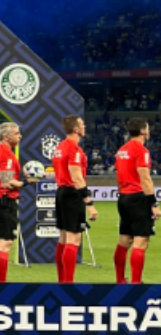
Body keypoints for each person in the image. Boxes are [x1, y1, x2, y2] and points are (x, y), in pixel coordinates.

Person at [0, 122, 35, 283]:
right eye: (17, 133)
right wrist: (26, 182)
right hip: (4, 202)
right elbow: (6, 181)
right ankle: (1, 285)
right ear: (7, 136)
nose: (20, 136)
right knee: (4, 244)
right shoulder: (6, 154)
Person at [54, 115, 98, 283]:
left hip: (62, 192)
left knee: (64, 237)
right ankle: (68, 283)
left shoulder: (60, 147)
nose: (84, 126)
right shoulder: (74, 149)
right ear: (76, 129)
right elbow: (77, 178)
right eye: (82, 124)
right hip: (72, 194)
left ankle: (62, 281)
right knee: (74, 239)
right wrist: (89, 204)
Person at [114, 118, 158, 284]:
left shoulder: (121, 150)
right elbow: (145, 179)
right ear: (143, 131)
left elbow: (119, 177)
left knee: (124, 240)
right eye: (147, 128)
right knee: (141, 241)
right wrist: (153, 204)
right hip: (138, 197)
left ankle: (120, 280)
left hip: (124, 197)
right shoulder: (141, 150)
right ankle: (136, 284)